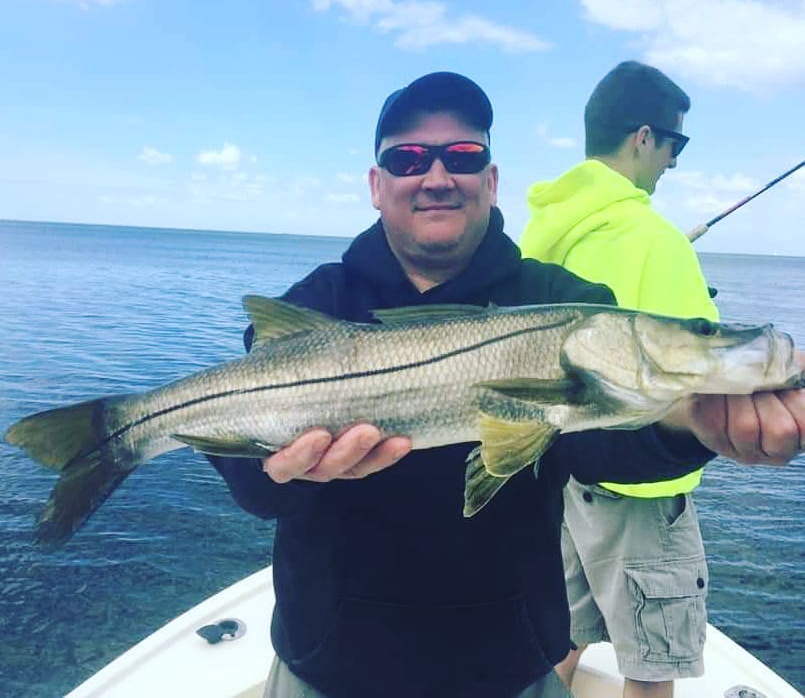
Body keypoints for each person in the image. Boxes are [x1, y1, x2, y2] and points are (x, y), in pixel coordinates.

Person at [209, 71, 805, 698]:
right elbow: (252, 484)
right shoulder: (317, 303)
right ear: (377, 186)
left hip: (507, 666)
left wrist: (686, 426)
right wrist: (279, 473)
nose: (436, 176)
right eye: (408, 158)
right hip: (327, 665)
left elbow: (596, 451)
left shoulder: (558, 298)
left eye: (464, 156)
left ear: (491, 182)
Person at [518, 60, 727, 698]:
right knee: (651, 667)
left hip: (565, 477)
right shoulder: (656, 240)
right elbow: (705, 372)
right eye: (675, 144)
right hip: (641, 494)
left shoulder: (544, 231)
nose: (674, 162)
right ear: (643, 137)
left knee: (564, 637)